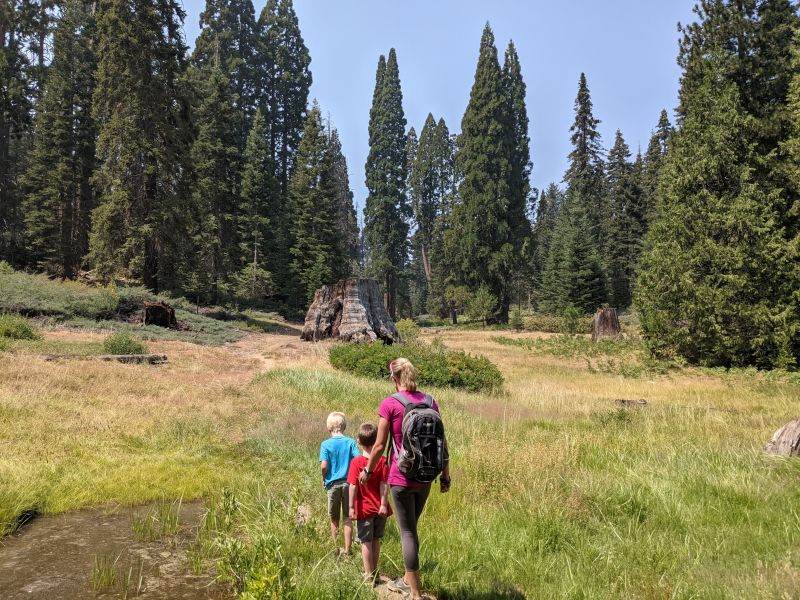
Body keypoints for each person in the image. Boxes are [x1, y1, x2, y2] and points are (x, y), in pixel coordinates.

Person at [359, 358, 450, 600]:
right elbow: (443, 440)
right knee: (412, 528)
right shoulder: (430, 401)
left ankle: (415, 594)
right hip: (427, 476)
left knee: (407, 532)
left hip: (401, 478)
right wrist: (446, 474)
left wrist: (367, 471)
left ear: (394, 378)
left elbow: (378, 445)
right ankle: (407, 580)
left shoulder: (391, 403)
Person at [347, 422, 391, 583]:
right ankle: (375, 571)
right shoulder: (383, 460)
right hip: (380, 509)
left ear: (358, 441)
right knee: (376, 540)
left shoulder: (356, 463)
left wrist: (351, 507)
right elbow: (384, 484)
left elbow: (352, 486)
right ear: (376, 440)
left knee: (365, 541)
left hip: (364, 509)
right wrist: (383, 504)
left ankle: (368, 574)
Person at [320, 411, 359, 556]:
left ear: (329, 427)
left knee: (334, 518)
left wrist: (324, 478)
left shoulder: (325, 444)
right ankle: (348, 549)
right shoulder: (351, 442)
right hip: (349, 483)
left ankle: (335, 548)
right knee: (348, 517)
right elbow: (358, 459)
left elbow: (324, 466)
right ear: (344, 426)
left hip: (333, 484)